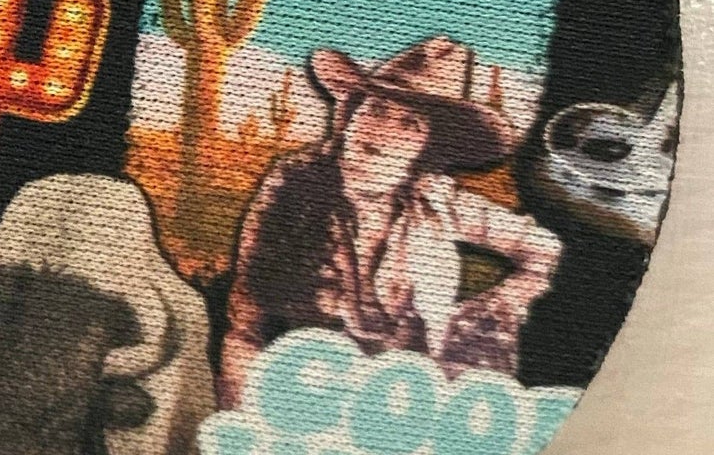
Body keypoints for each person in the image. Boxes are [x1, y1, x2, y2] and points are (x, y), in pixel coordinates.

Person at [220, 36, 561, 403]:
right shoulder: (295, 187)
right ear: (351, 116)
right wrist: (244, 405)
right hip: (304, 391)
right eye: (377, 110)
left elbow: (545, 250)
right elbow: (247, 325)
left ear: (426, 148)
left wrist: (498, 304)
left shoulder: (437, 201)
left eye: (409, 124)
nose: (381, 133)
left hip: (408, 400)